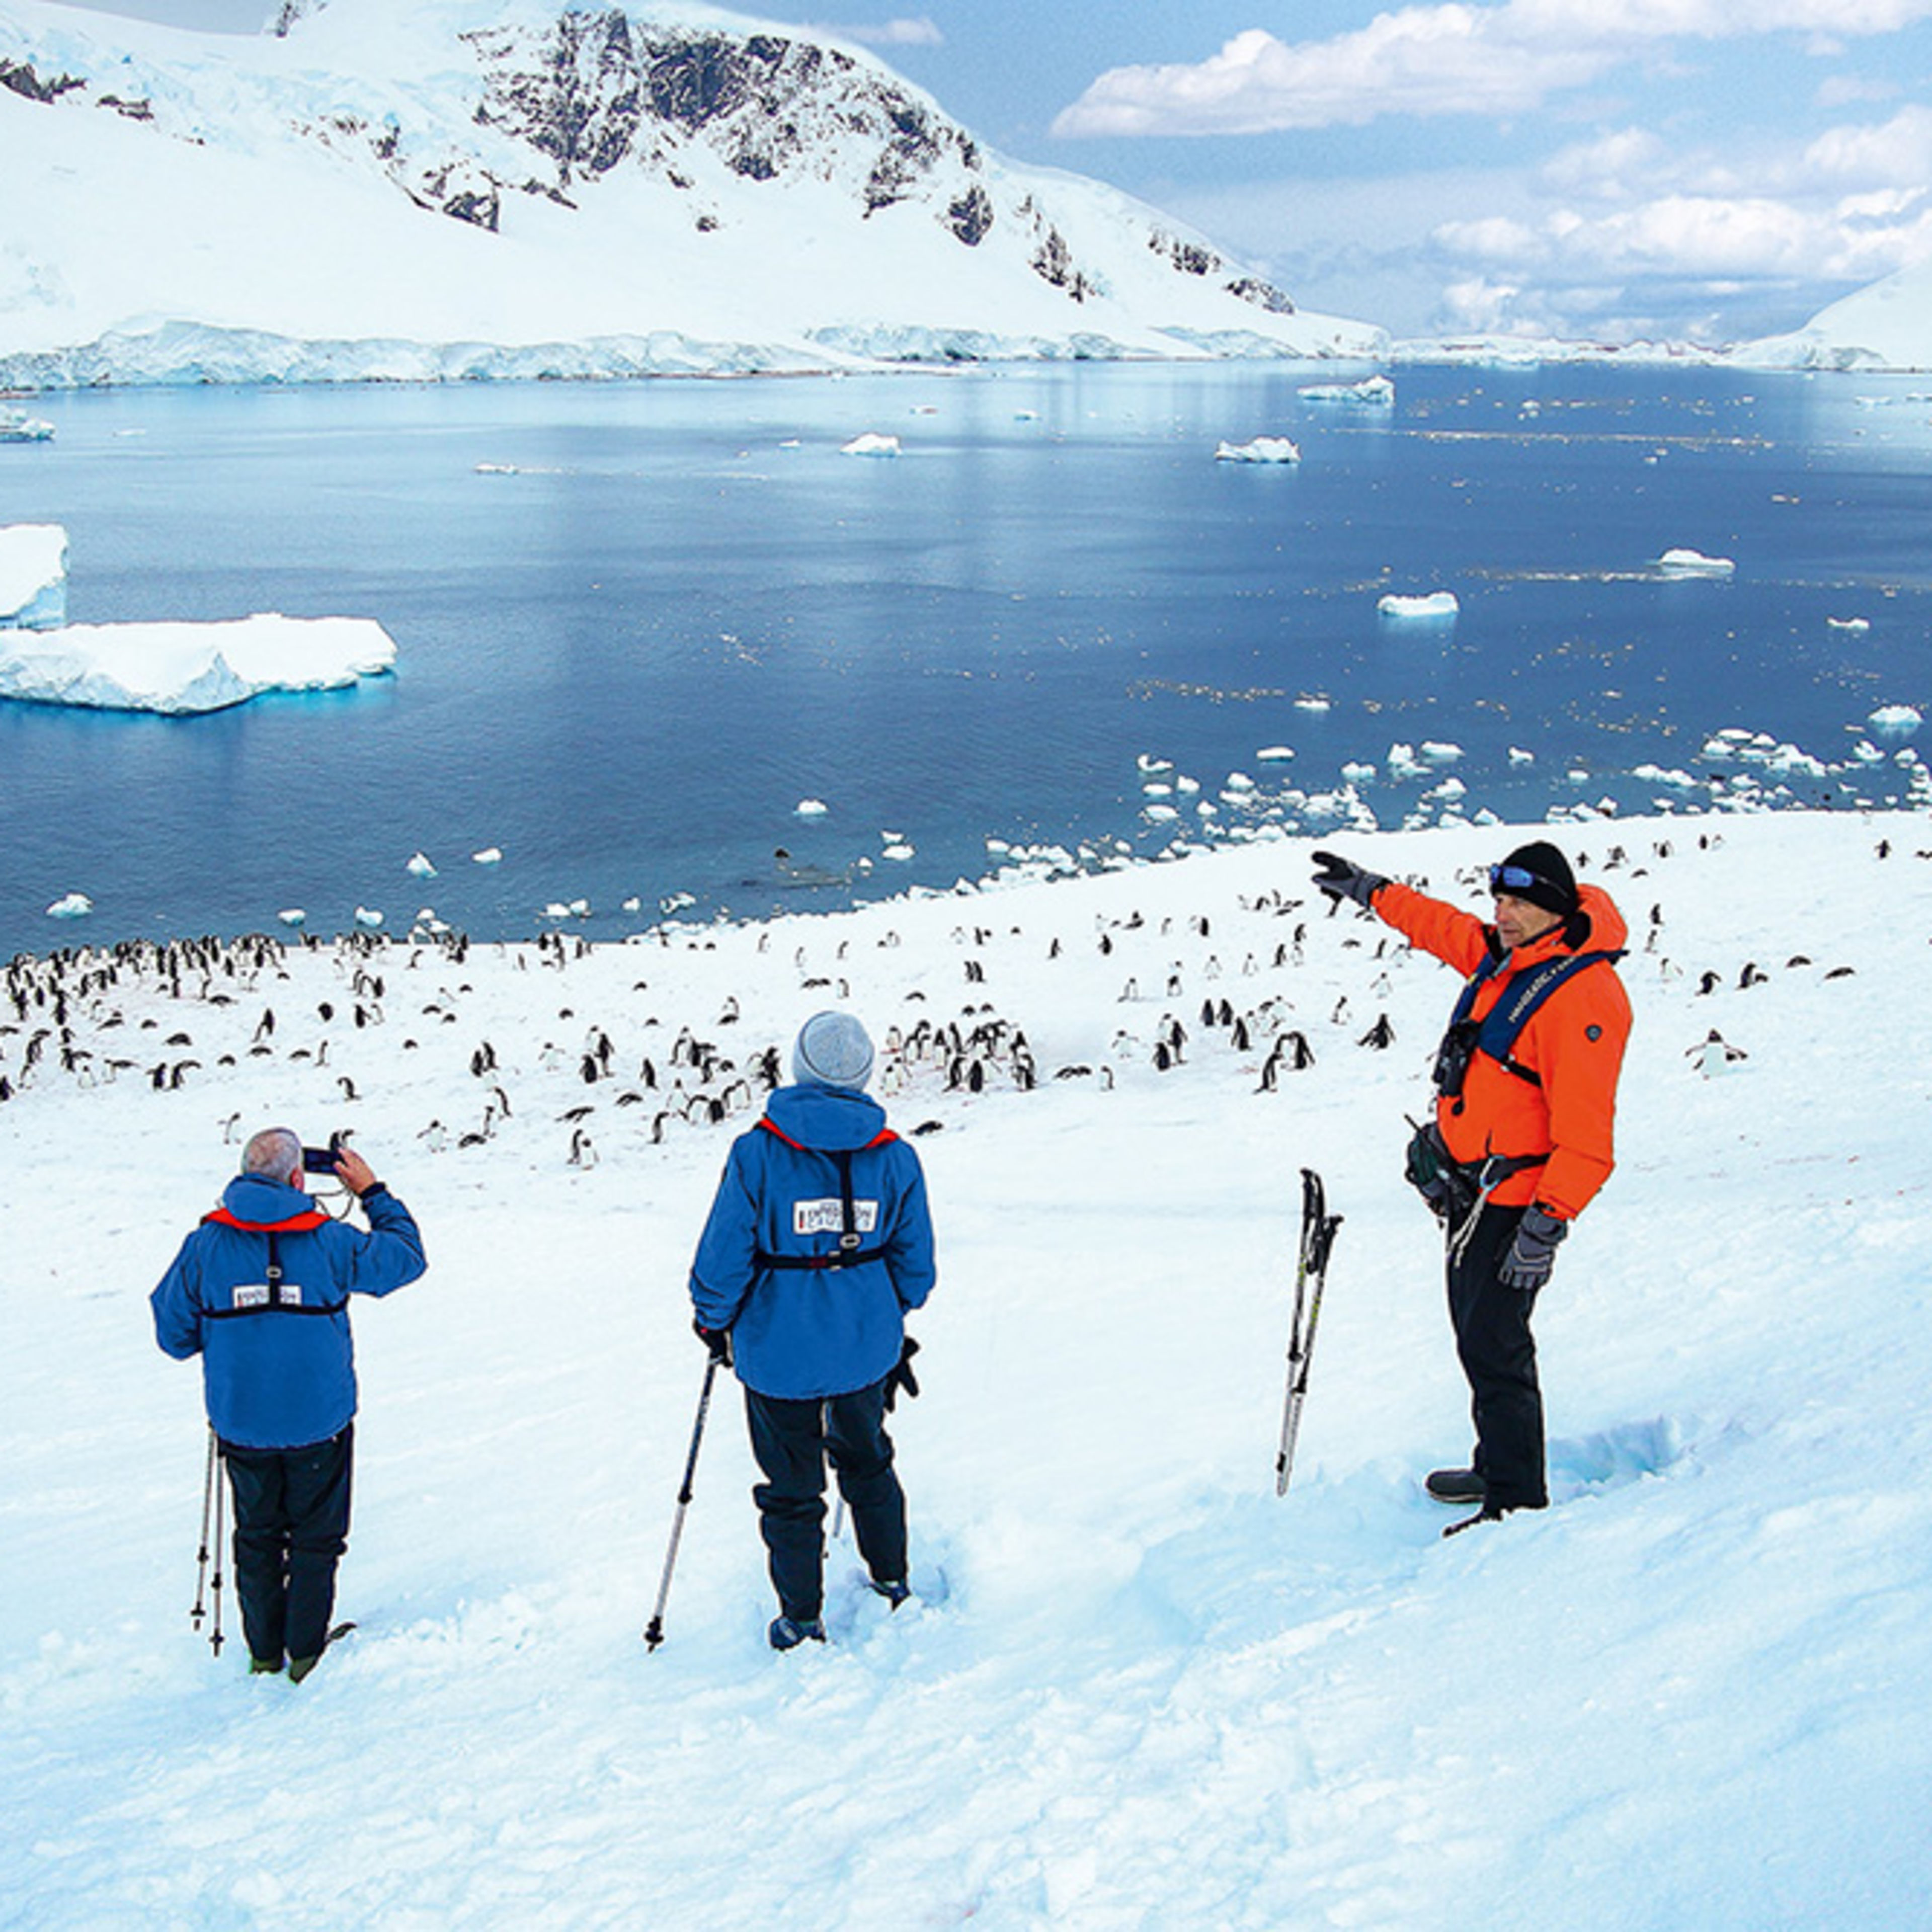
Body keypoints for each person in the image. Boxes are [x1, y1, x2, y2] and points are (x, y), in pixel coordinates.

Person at [1313, 841, 1631, 1535]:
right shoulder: (1512, 959)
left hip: (1516, 1203)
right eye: (1500, 900)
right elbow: (1443, 928)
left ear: (1554, 907)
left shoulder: (1582, 995)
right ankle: (1497, 1465)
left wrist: (1545, 1228)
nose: (1502, 914)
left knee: (1496, 1346)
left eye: (1518, 903)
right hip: (1471, 1191)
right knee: (1477, 1336)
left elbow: (1588, 1138)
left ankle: (1515, 1498)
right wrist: (1371, 890)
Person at [689, 1010, 936, 1650]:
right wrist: (881, 1317)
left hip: (776, 1354)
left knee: (792, 1486)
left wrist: (712, 1321)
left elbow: (722, 1259)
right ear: (863, 1074)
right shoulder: (897, 1158)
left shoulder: (757, 1153)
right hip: (864, 1350)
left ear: (800, 1068)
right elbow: (917, 1268)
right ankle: (892, 1581)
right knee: (868, 1461)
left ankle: (801, 1617)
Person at [151, 1128, 427, 1679]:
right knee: (315, 1537)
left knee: (256, 1536)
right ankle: (305, 1653)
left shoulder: (204, 1245)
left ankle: (263, 1652)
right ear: (300, 1179)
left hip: (242, 1422)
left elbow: (174, 1336)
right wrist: (373, 1192)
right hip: (319, 1422)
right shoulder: (330, 1239)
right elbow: (405, 1259)